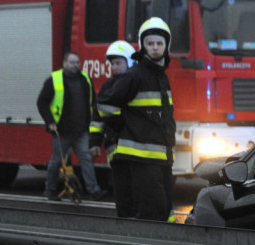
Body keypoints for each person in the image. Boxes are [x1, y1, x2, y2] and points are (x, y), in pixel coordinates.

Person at [96, 18, 176, 221]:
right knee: (153, 210)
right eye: (150, 43)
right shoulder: (135, 74)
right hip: (140, 156)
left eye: (159, 43)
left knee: (165, 208)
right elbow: (104, 103)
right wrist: (122, 126)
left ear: (167, 46)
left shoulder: (161, 76)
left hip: (162, 157)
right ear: (143, 46)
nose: (155, 48)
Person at [36, 51, 107, 200]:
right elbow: (41, 102)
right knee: (56, 160)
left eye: (77, 62)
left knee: (86, 159)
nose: (75, 65)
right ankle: (50, 189)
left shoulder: (85, 79)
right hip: (61, 130)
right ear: (64, 63)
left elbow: (93, 101)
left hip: (81, 130)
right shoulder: (54, 79)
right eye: (72, 62)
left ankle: (94, 190)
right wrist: (50, 121)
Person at [90, 40, 136, 217]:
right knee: (121, 187)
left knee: (136, 186)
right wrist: (94, 141)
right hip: (115, 146)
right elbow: (98, 117)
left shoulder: (135, 84)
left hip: (134, 144)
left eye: (119, 63)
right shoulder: (108, 87)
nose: (115, 67)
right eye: (113, 64)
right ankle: (124, 221)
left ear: (130, 62)